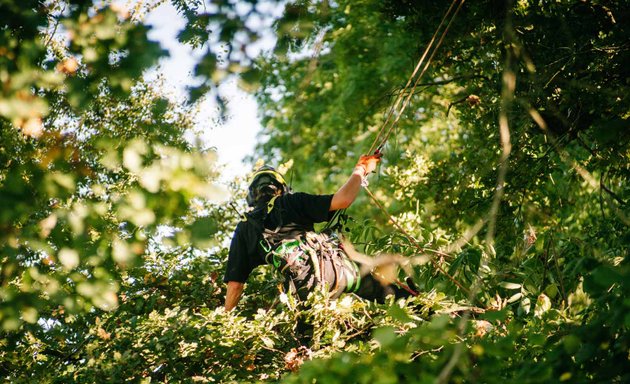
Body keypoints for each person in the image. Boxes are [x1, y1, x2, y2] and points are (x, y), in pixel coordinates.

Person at [224, 155, 416, 311]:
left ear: (252, 195)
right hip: (337, 271)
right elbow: (343, 200)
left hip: (305, 289)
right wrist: (361, 169)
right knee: (392, 295)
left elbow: (235, 285)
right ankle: (425, 308)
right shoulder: (292, 202)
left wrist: (226, 323)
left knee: (304, 351)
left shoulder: (244, 228)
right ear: (281, 189)